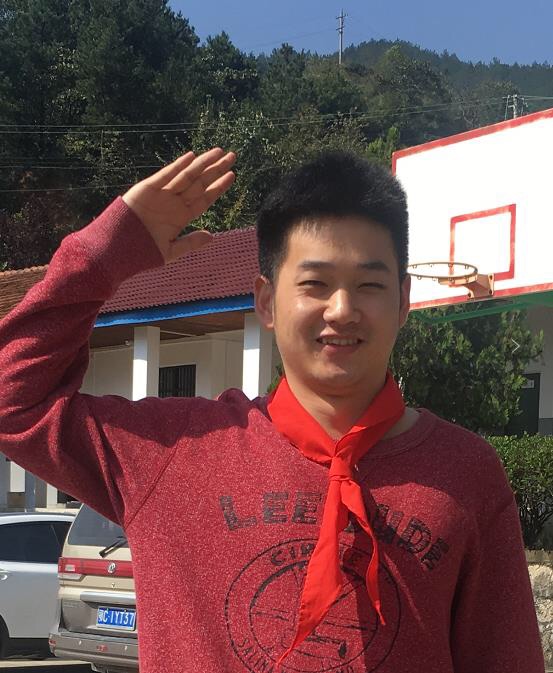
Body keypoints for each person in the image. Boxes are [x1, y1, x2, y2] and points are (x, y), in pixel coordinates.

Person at [0, 147, 544, 673]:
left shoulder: (465, 473)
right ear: (266, 301)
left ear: (403, 301)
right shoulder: (169, 451)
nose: (342, 309)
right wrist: (105, 254)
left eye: (369, 285)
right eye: (315, 284)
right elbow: (11, 398)